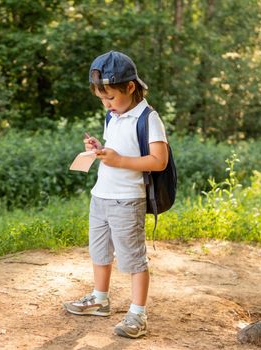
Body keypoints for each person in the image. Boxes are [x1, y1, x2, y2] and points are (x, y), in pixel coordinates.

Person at [63, 51, 169, 338]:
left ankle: (137, 314)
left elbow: (159, 160)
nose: (106, 104)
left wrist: (119, 160)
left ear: (130, 87)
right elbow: (117, 149)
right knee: (99, 252)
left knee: (133, 258)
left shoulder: (149, 118)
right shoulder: (113, 117)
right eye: (101, 99)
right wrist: (100, 148)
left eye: (110, 97)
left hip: (127, 199)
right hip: (101, 196)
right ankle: (100, 298)